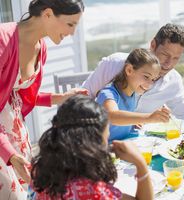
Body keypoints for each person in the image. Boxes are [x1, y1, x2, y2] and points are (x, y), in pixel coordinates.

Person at [0, 0, 87, 198]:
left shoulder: (41, 48)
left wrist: (61, 98)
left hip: (15, 134)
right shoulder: (3, 40)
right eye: (70, 24)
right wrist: (9, 155)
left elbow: (22, 96)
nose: (72, 33)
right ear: (47, 14)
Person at [31, 95, 153, 200]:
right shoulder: (93, 191)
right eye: (106, 138)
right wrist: (140, 163)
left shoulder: (42, 173)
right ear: (92, 144)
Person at [82, 23, 184, 127]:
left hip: (139, 139)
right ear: (153, 44)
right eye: (165, 54)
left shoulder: (173, 80)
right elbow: (83, 99)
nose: (169, 63)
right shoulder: (114, 64)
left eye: (176, 58)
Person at [97, 48, 170, 141]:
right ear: (129, 70)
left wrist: (132, 123)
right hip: (104, 150)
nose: (149, 84)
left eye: (153, 79)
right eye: (146, 77)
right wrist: (149, 118)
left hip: (123, 143)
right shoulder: (108, 93)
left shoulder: (132, 94)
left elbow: (121, 120)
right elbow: (113, 116)